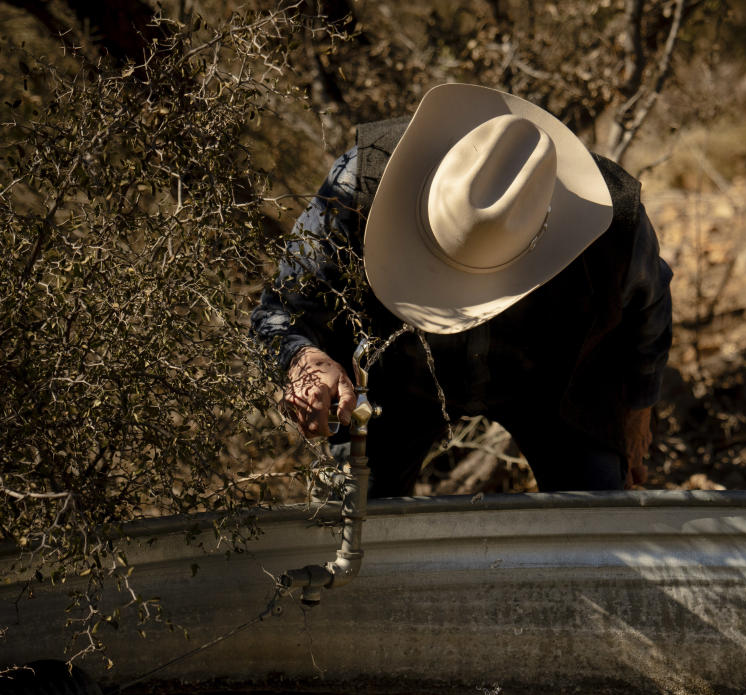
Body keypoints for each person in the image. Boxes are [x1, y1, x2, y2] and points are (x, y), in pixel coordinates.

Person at [251, 83, 673, 496]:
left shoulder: (613, 220)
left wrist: (636, 411)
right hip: (394, 384)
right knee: (351, 517)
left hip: (553, 384)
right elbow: (282, 309)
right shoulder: (358, 186)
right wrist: (303, 360)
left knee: (597, 517)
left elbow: (649, 308)